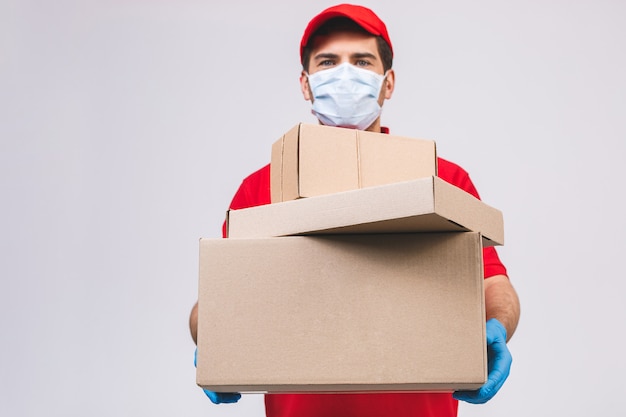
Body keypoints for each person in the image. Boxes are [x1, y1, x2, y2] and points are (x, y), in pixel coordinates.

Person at [188, 4, 521, 417]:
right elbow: (215, 300)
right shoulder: (262, 187)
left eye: (361, 61)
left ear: (388, 82)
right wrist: (212, 337)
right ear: (306, 84)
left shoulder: (442, 179)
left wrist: (497, 328)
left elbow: (494, 284)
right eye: (328, 62)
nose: (344, 74)